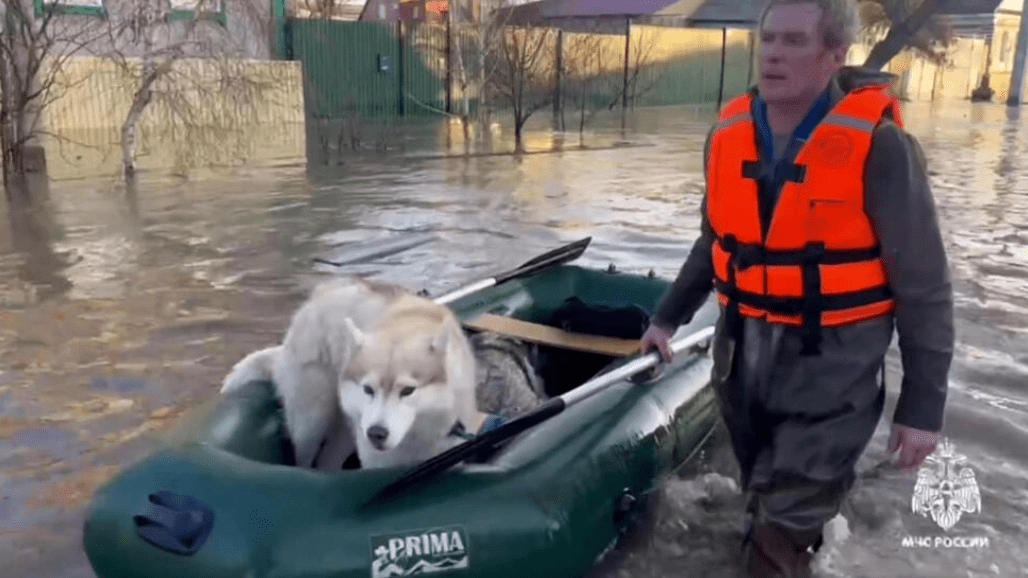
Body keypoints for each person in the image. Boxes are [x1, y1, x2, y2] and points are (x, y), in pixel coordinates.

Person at [639, 0, 954, 576]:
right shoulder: (727, 135)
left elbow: (925, 287)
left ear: (835, 54)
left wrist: (923, 407)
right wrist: (666, 318)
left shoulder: (882, 148)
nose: (774, 55)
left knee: (782, 530)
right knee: (759, 493)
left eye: (793, 41)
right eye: (768, 40)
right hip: (742, 358)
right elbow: (715, 242)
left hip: (832, 369)